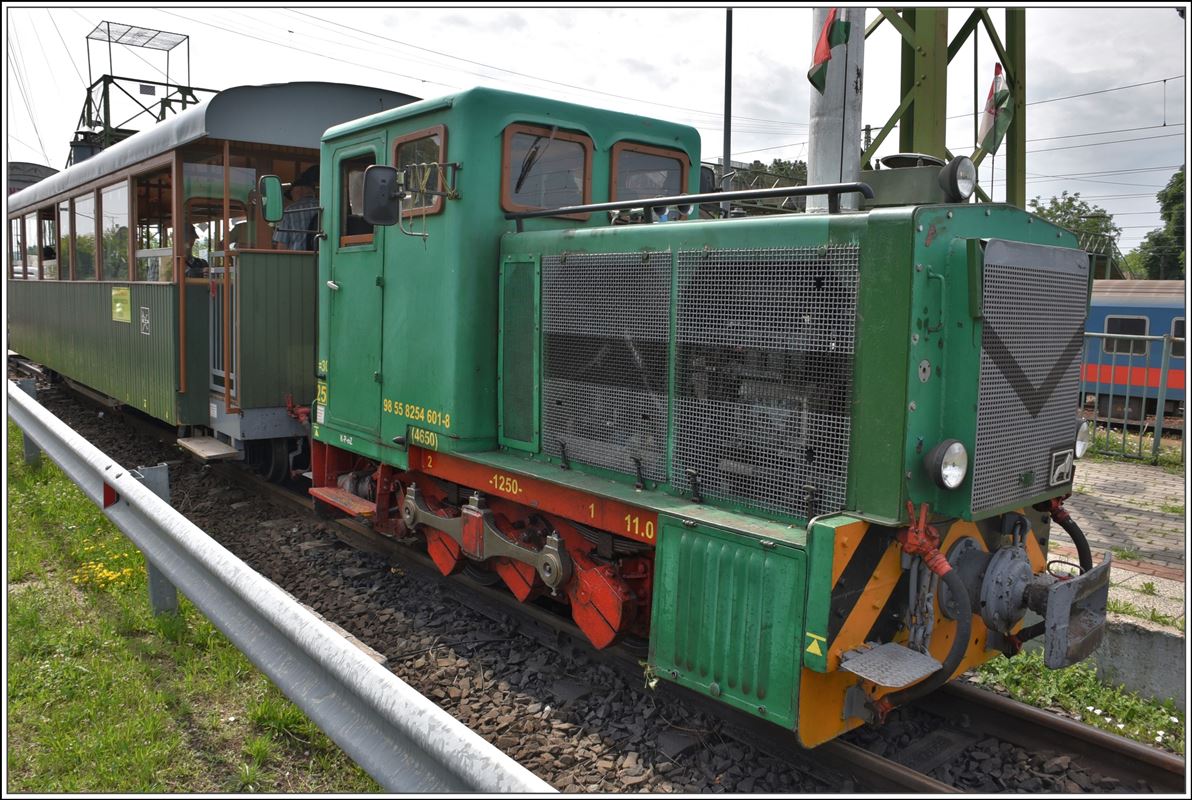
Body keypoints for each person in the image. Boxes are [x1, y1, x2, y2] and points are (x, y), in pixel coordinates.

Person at [273, 165, 320, 251]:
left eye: (291, 192)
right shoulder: (324, 207)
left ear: (300, 190)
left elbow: (282, 246)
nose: (291, 196)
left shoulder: (289, 212)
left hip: (297, 260)